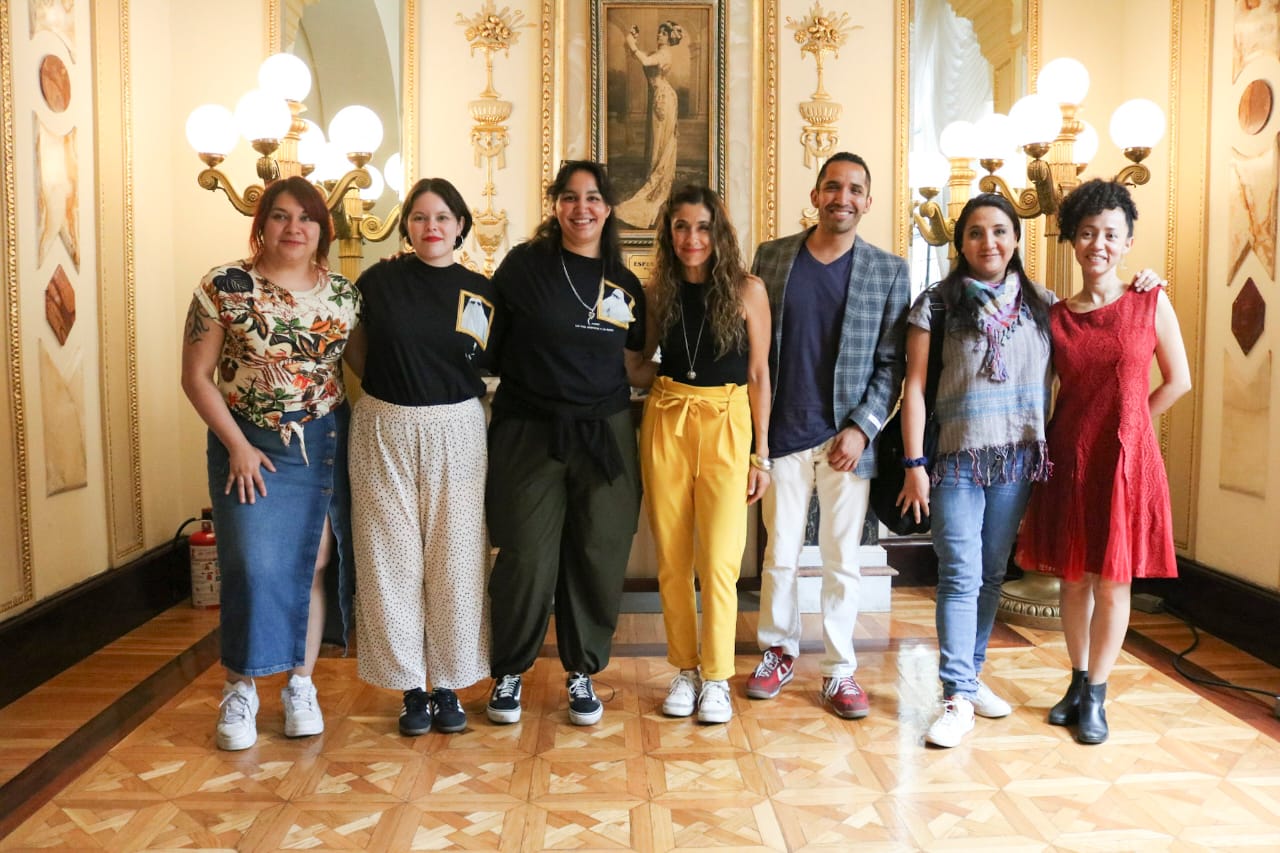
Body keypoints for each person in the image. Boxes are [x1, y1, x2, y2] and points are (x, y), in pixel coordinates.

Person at [181, 176, 359, 751]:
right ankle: (241, 688)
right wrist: (237, 445)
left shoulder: (344, 296)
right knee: (252, 567)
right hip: (248, 446)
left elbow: (369, 367)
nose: (294, 228)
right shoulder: (224, 286)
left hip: (322, 440)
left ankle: (300, 686)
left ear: (323, 230)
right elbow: (196, 376)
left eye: (307, 218)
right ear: (262, 225)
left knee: (313, 562)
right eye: (281, 216)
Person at [1017, 179, 1191, 744]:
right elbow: (1037, 389)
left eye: (1111, 235)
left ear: (1128, 242)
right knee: (1073, 582)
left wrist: (1133, 424)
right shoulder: (1055, 316)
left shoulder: (1150, 300)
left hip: (1123, 463)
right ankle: (1075, 681)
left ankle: (1096, 694)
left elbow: (1179, 381)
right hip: (1070, 458)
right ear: (1073, 239)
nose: (1099, 244)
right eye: (1089, 233)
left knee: (1114, 584)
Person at [745, 152, 910, 719]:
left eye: (855, 189)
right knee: (780, 554)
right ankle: (778, 651)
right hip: (783, 434)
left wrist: (863, 429)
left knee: (843, 560)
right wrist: (757, 438)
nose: (843, 197)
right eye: (833, 187)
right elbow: (754, 348)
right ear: (815, 195)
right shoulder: (771, 257)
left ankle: (840, 669)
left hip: (846, 442)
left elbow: (892, 364)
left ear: (868, 201)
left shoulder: (888, 271)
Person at [484, 160, 649, 727]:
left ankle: (582, 670)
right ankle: (510, 670)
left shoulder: (623, 283)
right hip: (529, 431)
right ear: (555, 205)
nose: (582, 208)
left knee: (598, 553)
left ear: (608, 208)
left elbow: (633, 364)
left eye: (593, 197)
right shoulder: (523, 266)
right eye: (570, 197)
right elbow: (486, 337)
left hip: (605, 433)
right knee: (525, 556)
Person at [897, 194, 1056, 748]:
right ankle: (956, 696)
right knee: (960, 574)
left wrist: (1143, 286)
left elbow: (1098, 324)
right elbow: (915, 388)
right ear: (960, 243)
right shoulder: (936, 305)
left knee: (990, 575)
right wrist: (914, 464)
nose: (989, 242)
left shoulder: (1044, 305)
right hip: (954, 460)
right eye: (975, 233)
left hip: (1016, 460)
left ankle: (969, 676)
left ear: (1015, 239)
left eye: (999, 231)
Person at [343, 178, 494, 737]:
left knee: (456, 559)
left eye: (443, 217)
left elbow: (487, 360)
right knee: (389, 560)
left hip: (457, 429)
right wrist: (390, 386)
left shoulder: (481, 291)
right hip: (384, 426)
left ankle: (449, 684)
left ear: (460, 225)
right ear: (406, 225)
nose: (431, 226)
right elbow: (354, 347)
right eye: (420, 216)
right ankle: (410, 688)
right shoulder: (377, 281)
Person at [639, 185, 772, 724]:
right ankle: (685, 669)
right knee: (672, 559)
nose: (691, 238)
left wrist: (762, 455)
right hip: (667, 417)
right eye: (680, 227)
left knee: (719, 559)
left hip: (727, 422)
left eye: (702, 226)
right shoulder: (657, 291)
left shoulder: (748, 289)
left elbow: (759, 373)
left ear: (718, 233)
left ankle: (717, 676)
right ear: (668, 234)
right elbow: (640, 363)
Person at [615, 21, 683, 229]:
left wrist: (632, 44)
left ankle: (656, 183)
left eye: (663, 33)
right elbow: (641, 57)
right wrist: (632, 41)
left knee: (660, 142)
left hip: (663, 99)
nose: (659, 35)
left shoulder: (664, 54)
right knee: (655, 142)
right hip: (659, 97)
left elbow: (644, 61)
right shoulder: (658, 53)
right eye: (659, 32)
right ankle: (652, 176)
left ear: (670, 37)